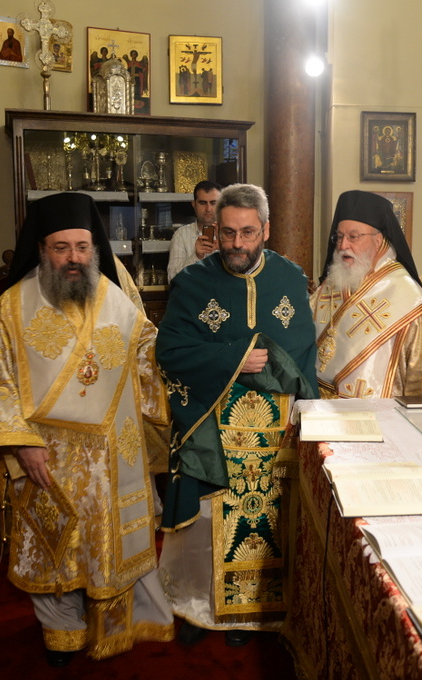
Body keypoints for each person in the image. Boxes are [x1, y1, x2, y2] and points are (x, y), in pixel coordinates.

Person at [0, 193, 173, 667]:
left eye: (83, 247)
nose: (74, 258)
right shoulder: (13, 307)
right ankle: (62, 629)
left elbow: (148, 355)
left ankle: (116, 623)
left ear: (95, 248)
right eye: (61, 247)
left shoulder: (115, 297)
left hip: (112, 455)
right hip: (44, 455)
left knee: (109, 541)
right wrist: (20, 444)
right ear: (41, 249)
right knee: (54, 546)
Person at [156, 183, 318, 647]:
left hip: (273, 430)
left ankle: (251, 612)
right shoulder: (193, 283)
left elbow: (303, 350)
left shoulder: (290, 279)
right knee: (208, 524)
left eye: (248, 233)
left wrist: (305, 413)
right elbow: (170, 351)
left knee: (265, 522)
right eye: (227, 233)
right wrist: (233, 358)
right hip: (211, 424)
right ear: (214, 229)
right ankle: (198, 605)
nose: (237, 244)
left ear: (265, 230)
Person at [312, 190, 422, 399]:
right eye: (339, 237)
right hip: (318, 409)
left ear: (379, 240)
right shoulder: (333, 283)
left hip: (376, 414)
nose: (343, 246)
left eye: (353, 237)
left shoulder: (405, 295)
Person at [166, 180, 221, 281]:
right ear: (194, 204)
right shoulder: (181, 235)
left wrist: (223, 249)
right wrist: (196, 256)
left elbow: (242, 274)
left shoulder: (232, 234)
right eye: (203, 203)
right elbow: (172, 279)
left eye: (213, 203)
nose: (208, 209)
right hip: (193, 291)